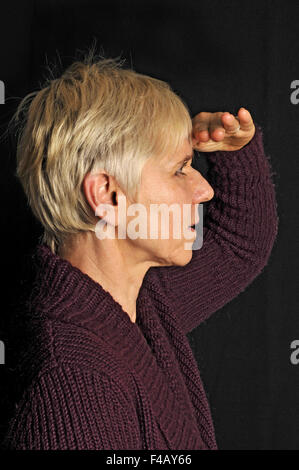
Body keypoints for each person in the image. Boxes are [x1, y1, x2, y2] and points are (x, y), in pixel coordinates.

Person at [2, 53, 278, 450]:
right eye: (180, 169)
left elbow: (240, 243)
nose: (204, 189)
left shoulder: (140, 307)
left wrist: (229, 152)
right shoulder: (77, 391)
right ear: (108, 195)